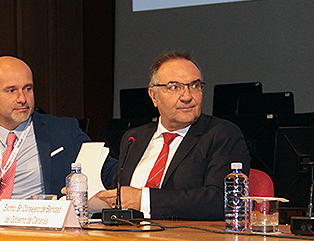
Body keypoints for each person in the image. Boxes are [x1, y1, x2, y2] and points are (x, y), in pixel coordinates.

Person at [0, 56, 118, 215]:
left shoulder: (63, 131)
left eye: (27, 89)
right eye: (11, 90)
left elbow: (112, 173)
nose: (22, 98)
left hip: (40, 233)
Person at [94, 51, 250, 220]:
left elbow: (222, 201)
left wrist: (144, 199)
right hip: (126, 237)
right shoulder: (135, 138)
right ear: (154, 96)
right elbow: (120, 197)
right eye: (174, 87)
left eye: (195, 86)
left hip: (185, 240)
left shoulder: (221, 134)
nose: (187, 96)